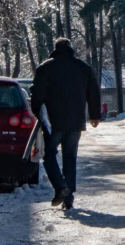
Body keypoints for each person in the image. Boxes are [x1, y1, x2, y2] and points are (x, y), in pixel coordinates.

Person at [30, 38, 101, 210]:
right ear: (70, 49)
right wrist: (94, 115)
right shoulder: (83, 68)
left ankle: (61, 187)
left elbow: (37, 94)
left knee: (49, 156)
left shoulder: (45, 68)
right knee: (70, 157)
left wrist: (37, 113)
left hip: (53, 122)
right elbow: (93, 91)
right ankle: (68, 199)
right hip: (75, 122)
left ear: (55, 49)